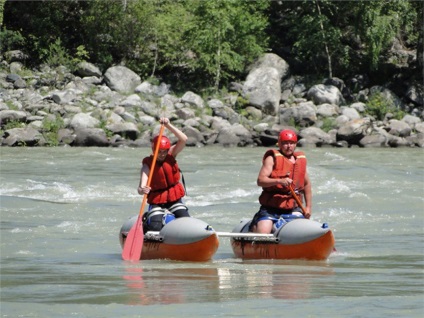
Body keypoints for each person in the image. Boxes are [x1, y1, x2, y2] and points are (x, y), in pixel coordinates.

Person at [250, 129, 312, 234]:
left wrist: (308, 208)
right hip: (271, 209)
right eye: (285, 143)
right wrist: (279, 181)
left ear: (295, 144)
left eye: (291, 143)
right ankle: (254, 228)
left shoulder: (299, 161)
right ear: (279, 144)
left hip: (293, 208)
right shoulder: (271, 158)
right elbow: (261, 180)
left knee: (305, 229)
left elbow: (306, 185)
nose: (289, 146)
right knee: (263, 231)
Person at [137, 117, 190, 232]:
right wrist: (143, 189)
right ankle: (146, 224)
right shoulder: (147, 164)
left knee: (185, 220)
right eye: (159, 152)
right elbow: (141, 186)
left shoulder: (171, 155)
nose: (162, 154)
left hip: (174, 197)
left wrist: (168, 125)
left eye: (164, 152)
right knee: (155, 227)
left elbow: (184, 140)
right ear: (154, 150)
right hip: (157, 200)